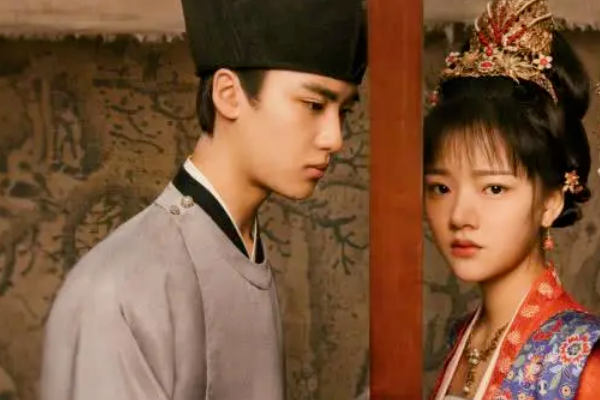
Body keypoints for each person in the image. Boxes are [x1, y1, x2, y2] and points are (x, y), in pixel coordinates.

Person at [39, 0, 367, 399]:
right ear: (228, 94)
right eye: (314, 105)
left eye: (343, 111)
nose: (335, 138)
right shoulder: (119, 290)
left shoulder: (241, 250)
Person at [423, 0, 600, 399]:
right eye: (441, 188)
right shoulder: (464, 336)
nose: (460, 216)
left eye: (494, 188)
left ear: (551, 201)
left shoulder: (579, 361)